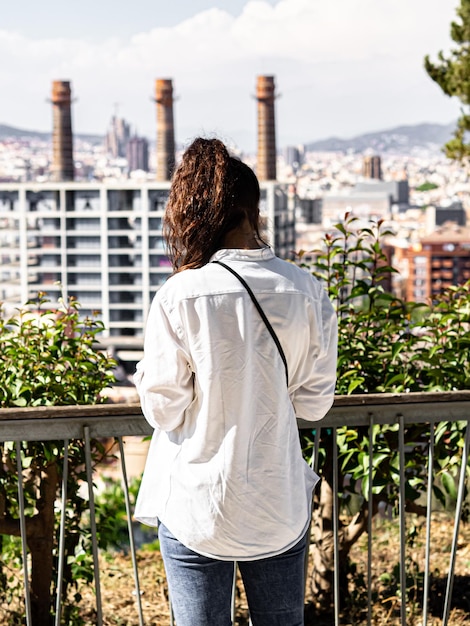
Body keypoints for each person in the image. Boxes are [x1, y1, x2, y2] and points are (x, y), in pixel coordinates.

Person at [134, 137, 337, 626]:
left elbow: (163, 410)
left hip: (198, 503)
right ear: (254, 211)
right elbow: (313, 406)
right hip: (276, 500)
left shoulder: (181, 294)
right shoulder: (307, 291)